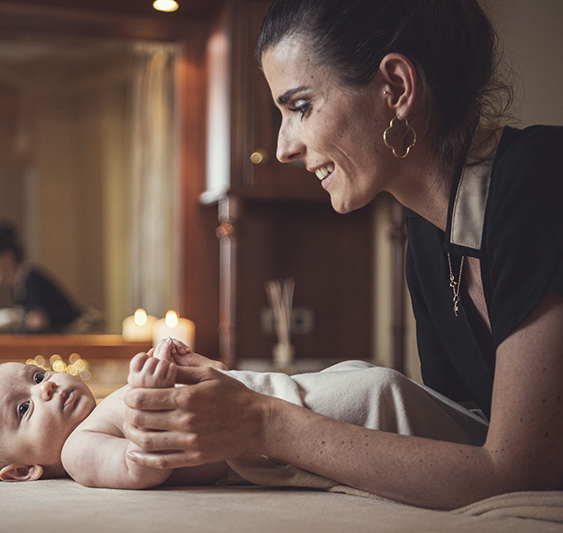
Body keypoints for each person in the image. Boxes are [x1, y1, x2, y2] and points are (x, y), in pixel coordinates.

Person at [122, 0, 563, 509]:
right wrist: (244, 393)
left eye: (300, 107)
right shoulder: (426, 235)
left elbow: (520, 470)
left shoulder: (539, 179)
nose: (284, 146)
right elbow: (455, 439)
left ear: (395, 88)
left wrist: (261, 420)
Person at [0, 338, 487, 490]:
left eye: (36, 376)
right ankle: (486, 443)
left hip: (280, 395)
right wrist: (149, 398)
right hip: (291, 421)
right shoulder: (81, 453)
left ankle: (482, 429)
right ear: (23, 470)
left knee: (374, 383)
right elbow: (142, 464)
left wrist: (180, 372)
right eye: (22, 408)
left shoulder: (96, 409)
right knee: (381, 397)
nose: (47, 388)